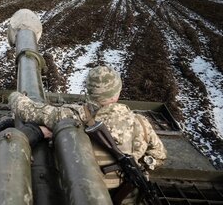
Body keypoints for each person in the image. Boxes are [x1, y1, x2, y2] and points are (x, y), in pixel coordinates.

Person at [9, 65, 167, 203]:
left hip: (80, 193)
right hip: (127, 195)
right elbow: (159, 155)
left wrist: (15, 97)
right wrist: (141, 165)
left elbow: (31, 111)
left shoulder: (72, 115)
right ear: (117, 93)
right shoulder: (141, 123)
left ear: (89, 92)